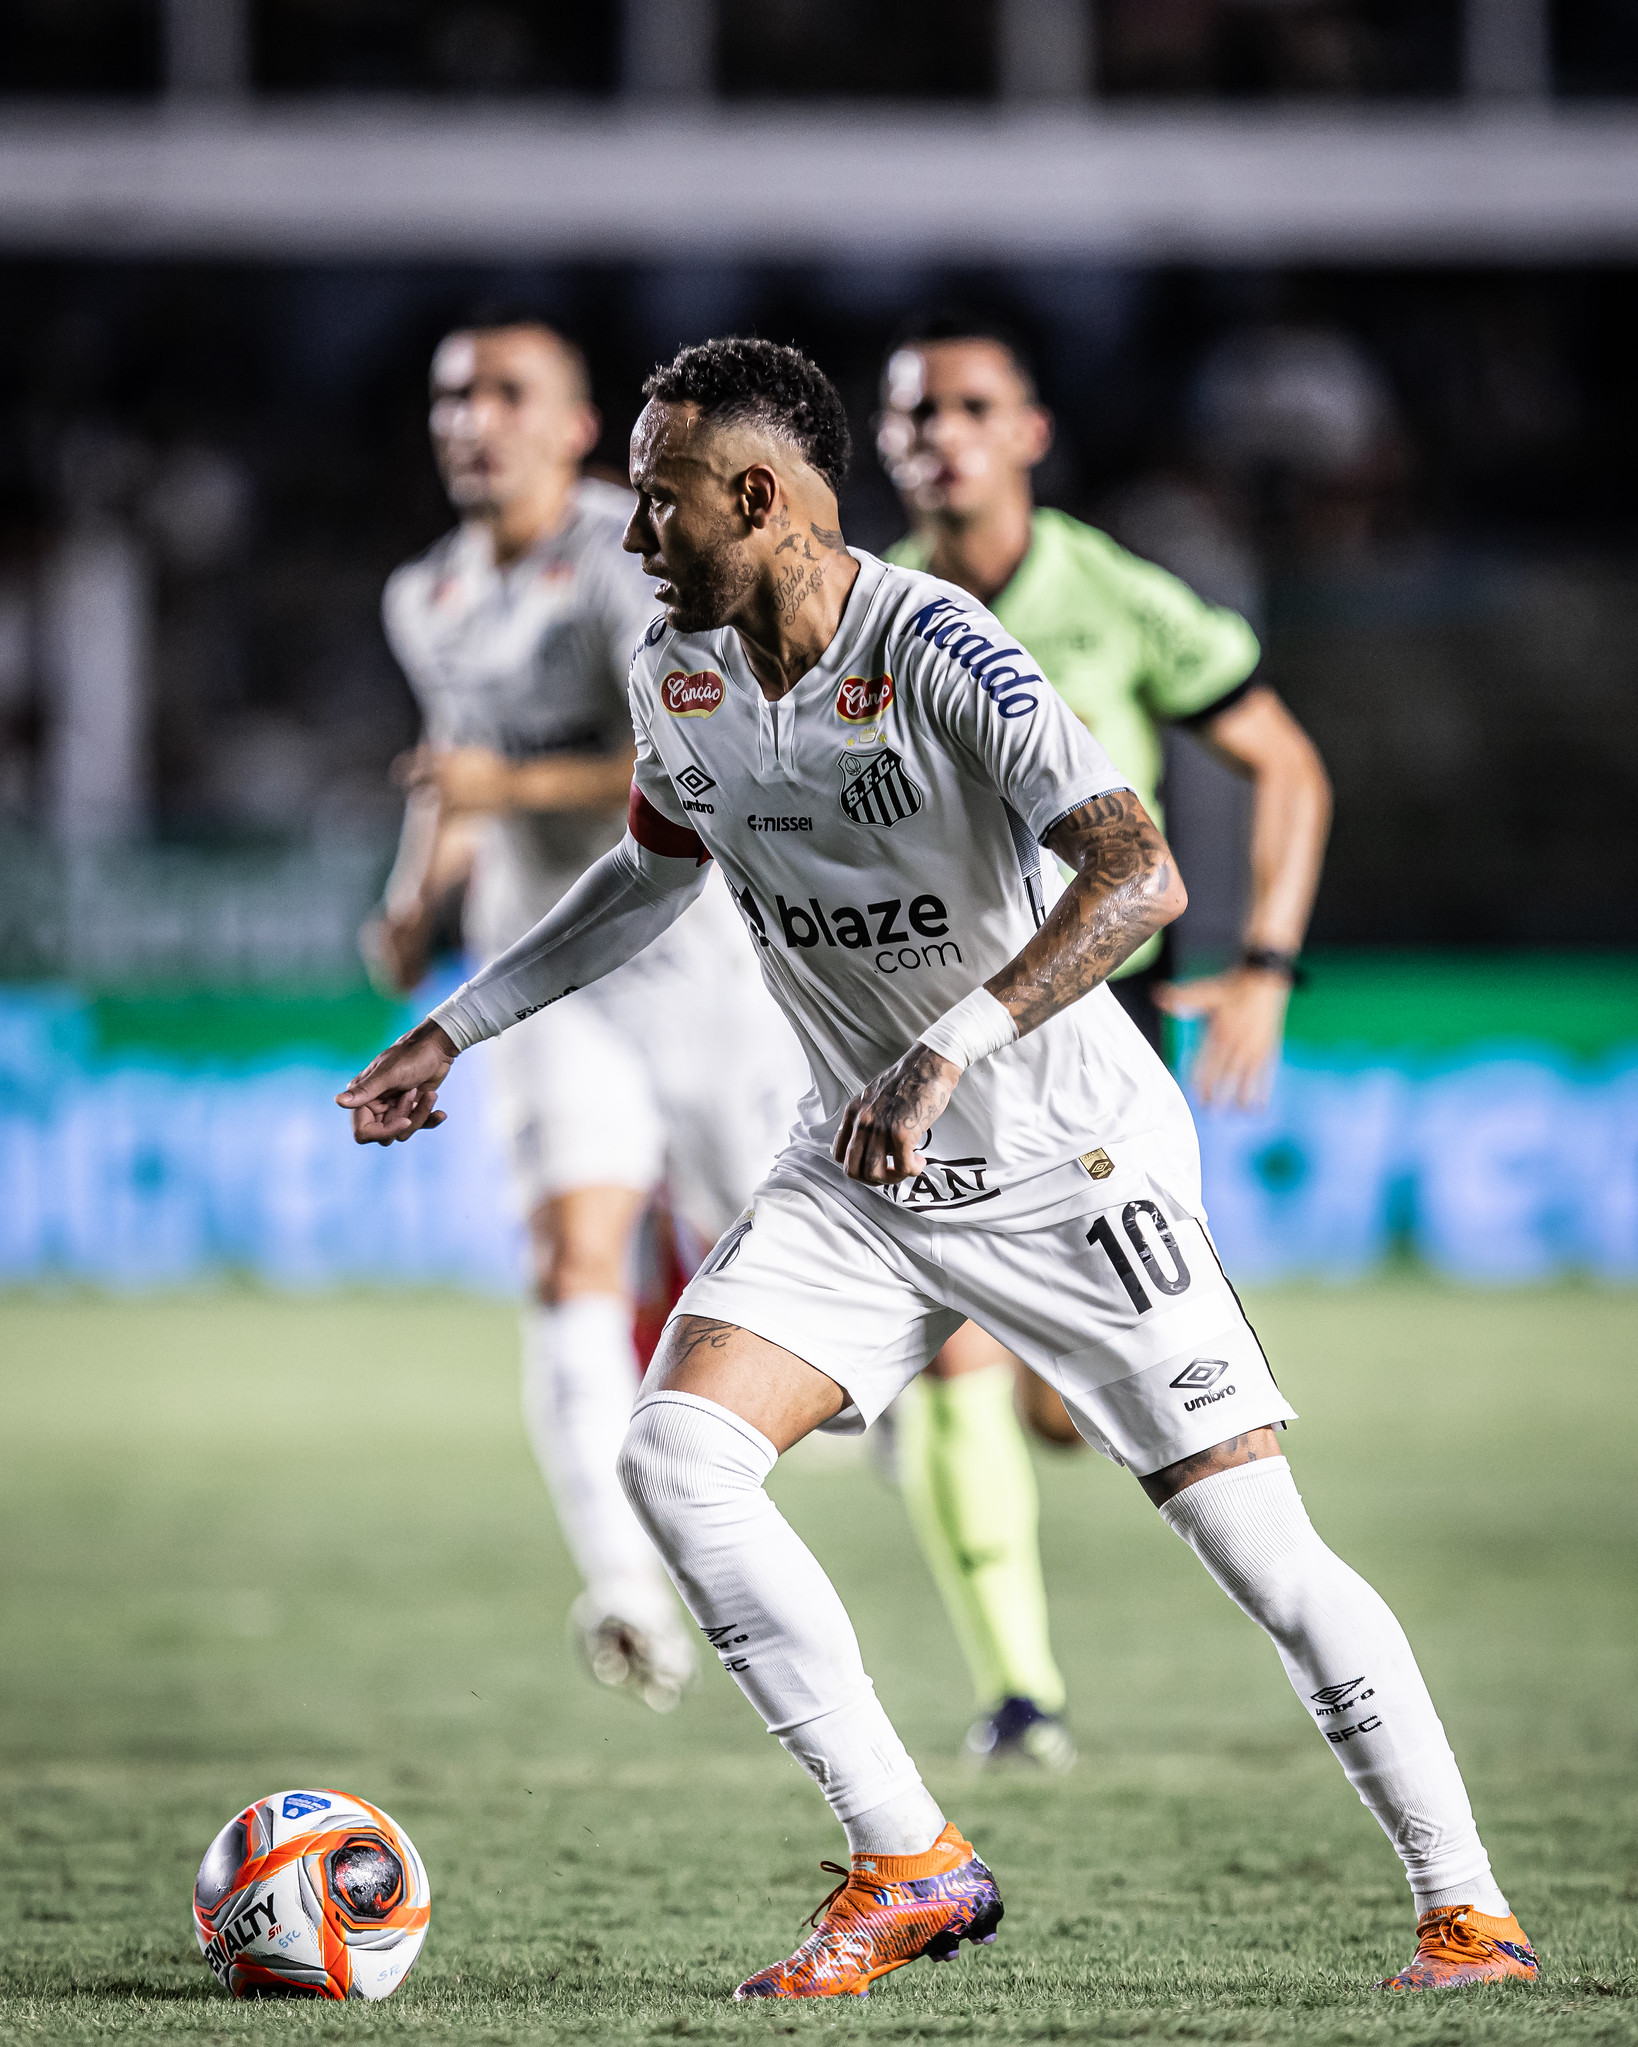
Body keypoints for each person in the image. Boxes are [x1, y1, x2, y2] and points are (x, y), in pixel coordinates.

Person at [339, 338, 1536, 2003]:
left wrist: (949, 1046)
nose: (636, 535)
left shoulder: (939, 647)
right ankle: (908, 1859)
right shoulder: (679, 670)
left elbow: (1139, 876)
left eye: (660, 500)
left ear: (756, 494)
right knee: (675, 1458)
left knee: (1260, 1551)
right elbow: (649, 873)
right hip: (859, 1170)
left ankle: (1466, 1910)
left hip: (1066, 1161)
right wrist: (455, 1026)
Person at [875, 312, 1334, 1768]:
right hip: (934, 1019)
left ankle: (1049, 1401)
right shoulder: (865, 608)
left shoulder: (1113, 594)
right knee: (951, 1356)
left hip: (1097, 1027)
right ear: (885, 444)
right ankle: (1021, 1698)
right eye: (915, 413)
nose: (941, 435)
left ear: (1029, 434)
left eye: (970, 408)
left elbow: (1284, 763)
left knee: (1074, 1403)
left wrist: (1265, 965)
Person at [365, 312, 798, 1714]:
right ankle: (622, 1589)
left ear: (571, 425)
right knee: (570, 1254)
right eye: (453, 395)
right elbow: (456, 764)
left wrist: (500, 792)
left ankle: (903, 1421)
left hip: (696, 959)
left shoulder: (633, 557)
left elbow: (683, 751)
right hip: (542, 971)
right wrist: (413, 895)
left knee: (776, 1276)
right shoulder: (426, 594)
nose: (472, 418)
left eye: (507, 393)